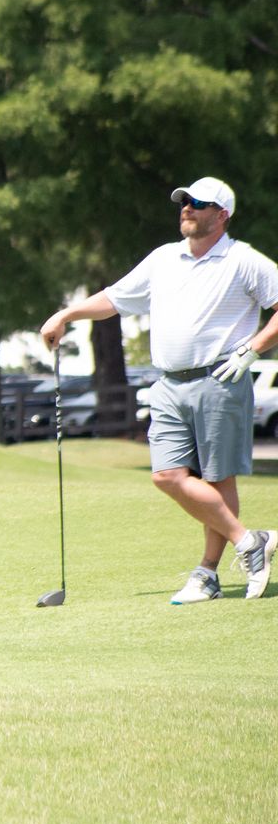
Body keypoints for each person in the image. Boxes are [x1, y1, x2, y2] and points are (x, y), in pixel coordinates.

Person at [40, 175, 278, 603]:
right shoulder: (164, 259)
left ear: (222, 215)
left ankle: (207, 575)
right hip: (168, 383)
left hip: (220, 379)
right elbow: (114, 299)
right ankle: (249, 541)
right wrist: (66, 315)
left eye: (198, 203)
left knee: (217, 478)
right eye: (184, 201)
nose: (187, 208)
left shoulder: (243, 260)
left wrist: (253, 350)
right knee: (167, 475)